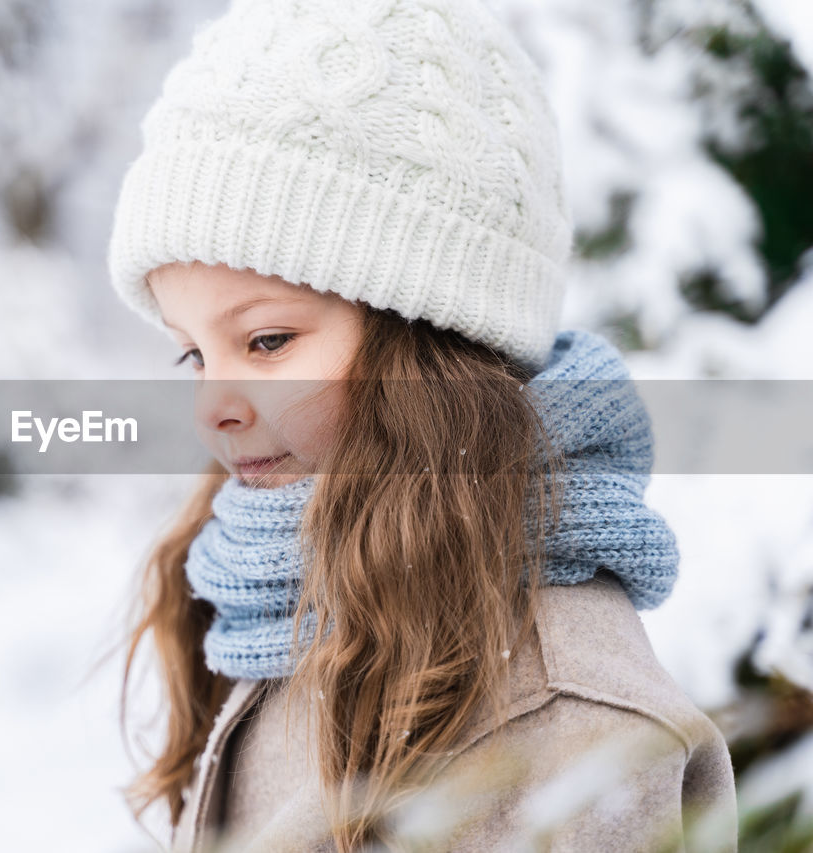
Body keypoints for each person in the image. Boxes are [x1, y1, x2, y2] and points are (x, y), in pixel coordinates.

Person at [105, 1, 739, 851]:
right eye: (193, 353)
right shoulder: (276, 596)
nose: (213, 406)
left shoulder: (573, 724)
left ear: (434, 337)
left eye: (267, 339)